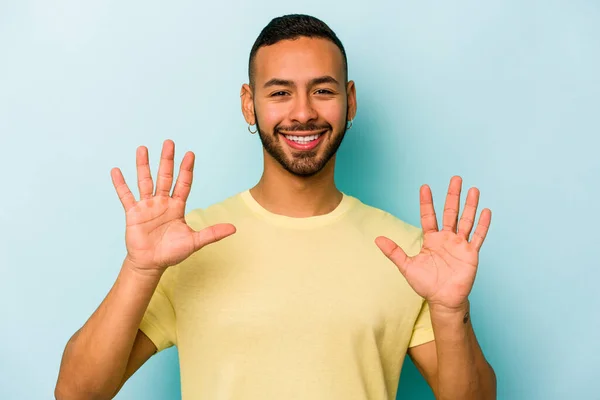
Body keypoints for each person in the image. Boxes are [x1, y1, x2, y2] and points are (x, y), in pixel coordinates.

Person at [55, 14, 496, 400]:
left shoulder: (409, 254)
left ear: (350, 100)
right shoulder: (185, 246)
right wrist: (140, 269)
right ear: (250, 104)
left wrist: (451, 310)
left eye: (322, 90)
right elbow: (77, 393)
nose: (303, 113)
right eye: (280, 93)